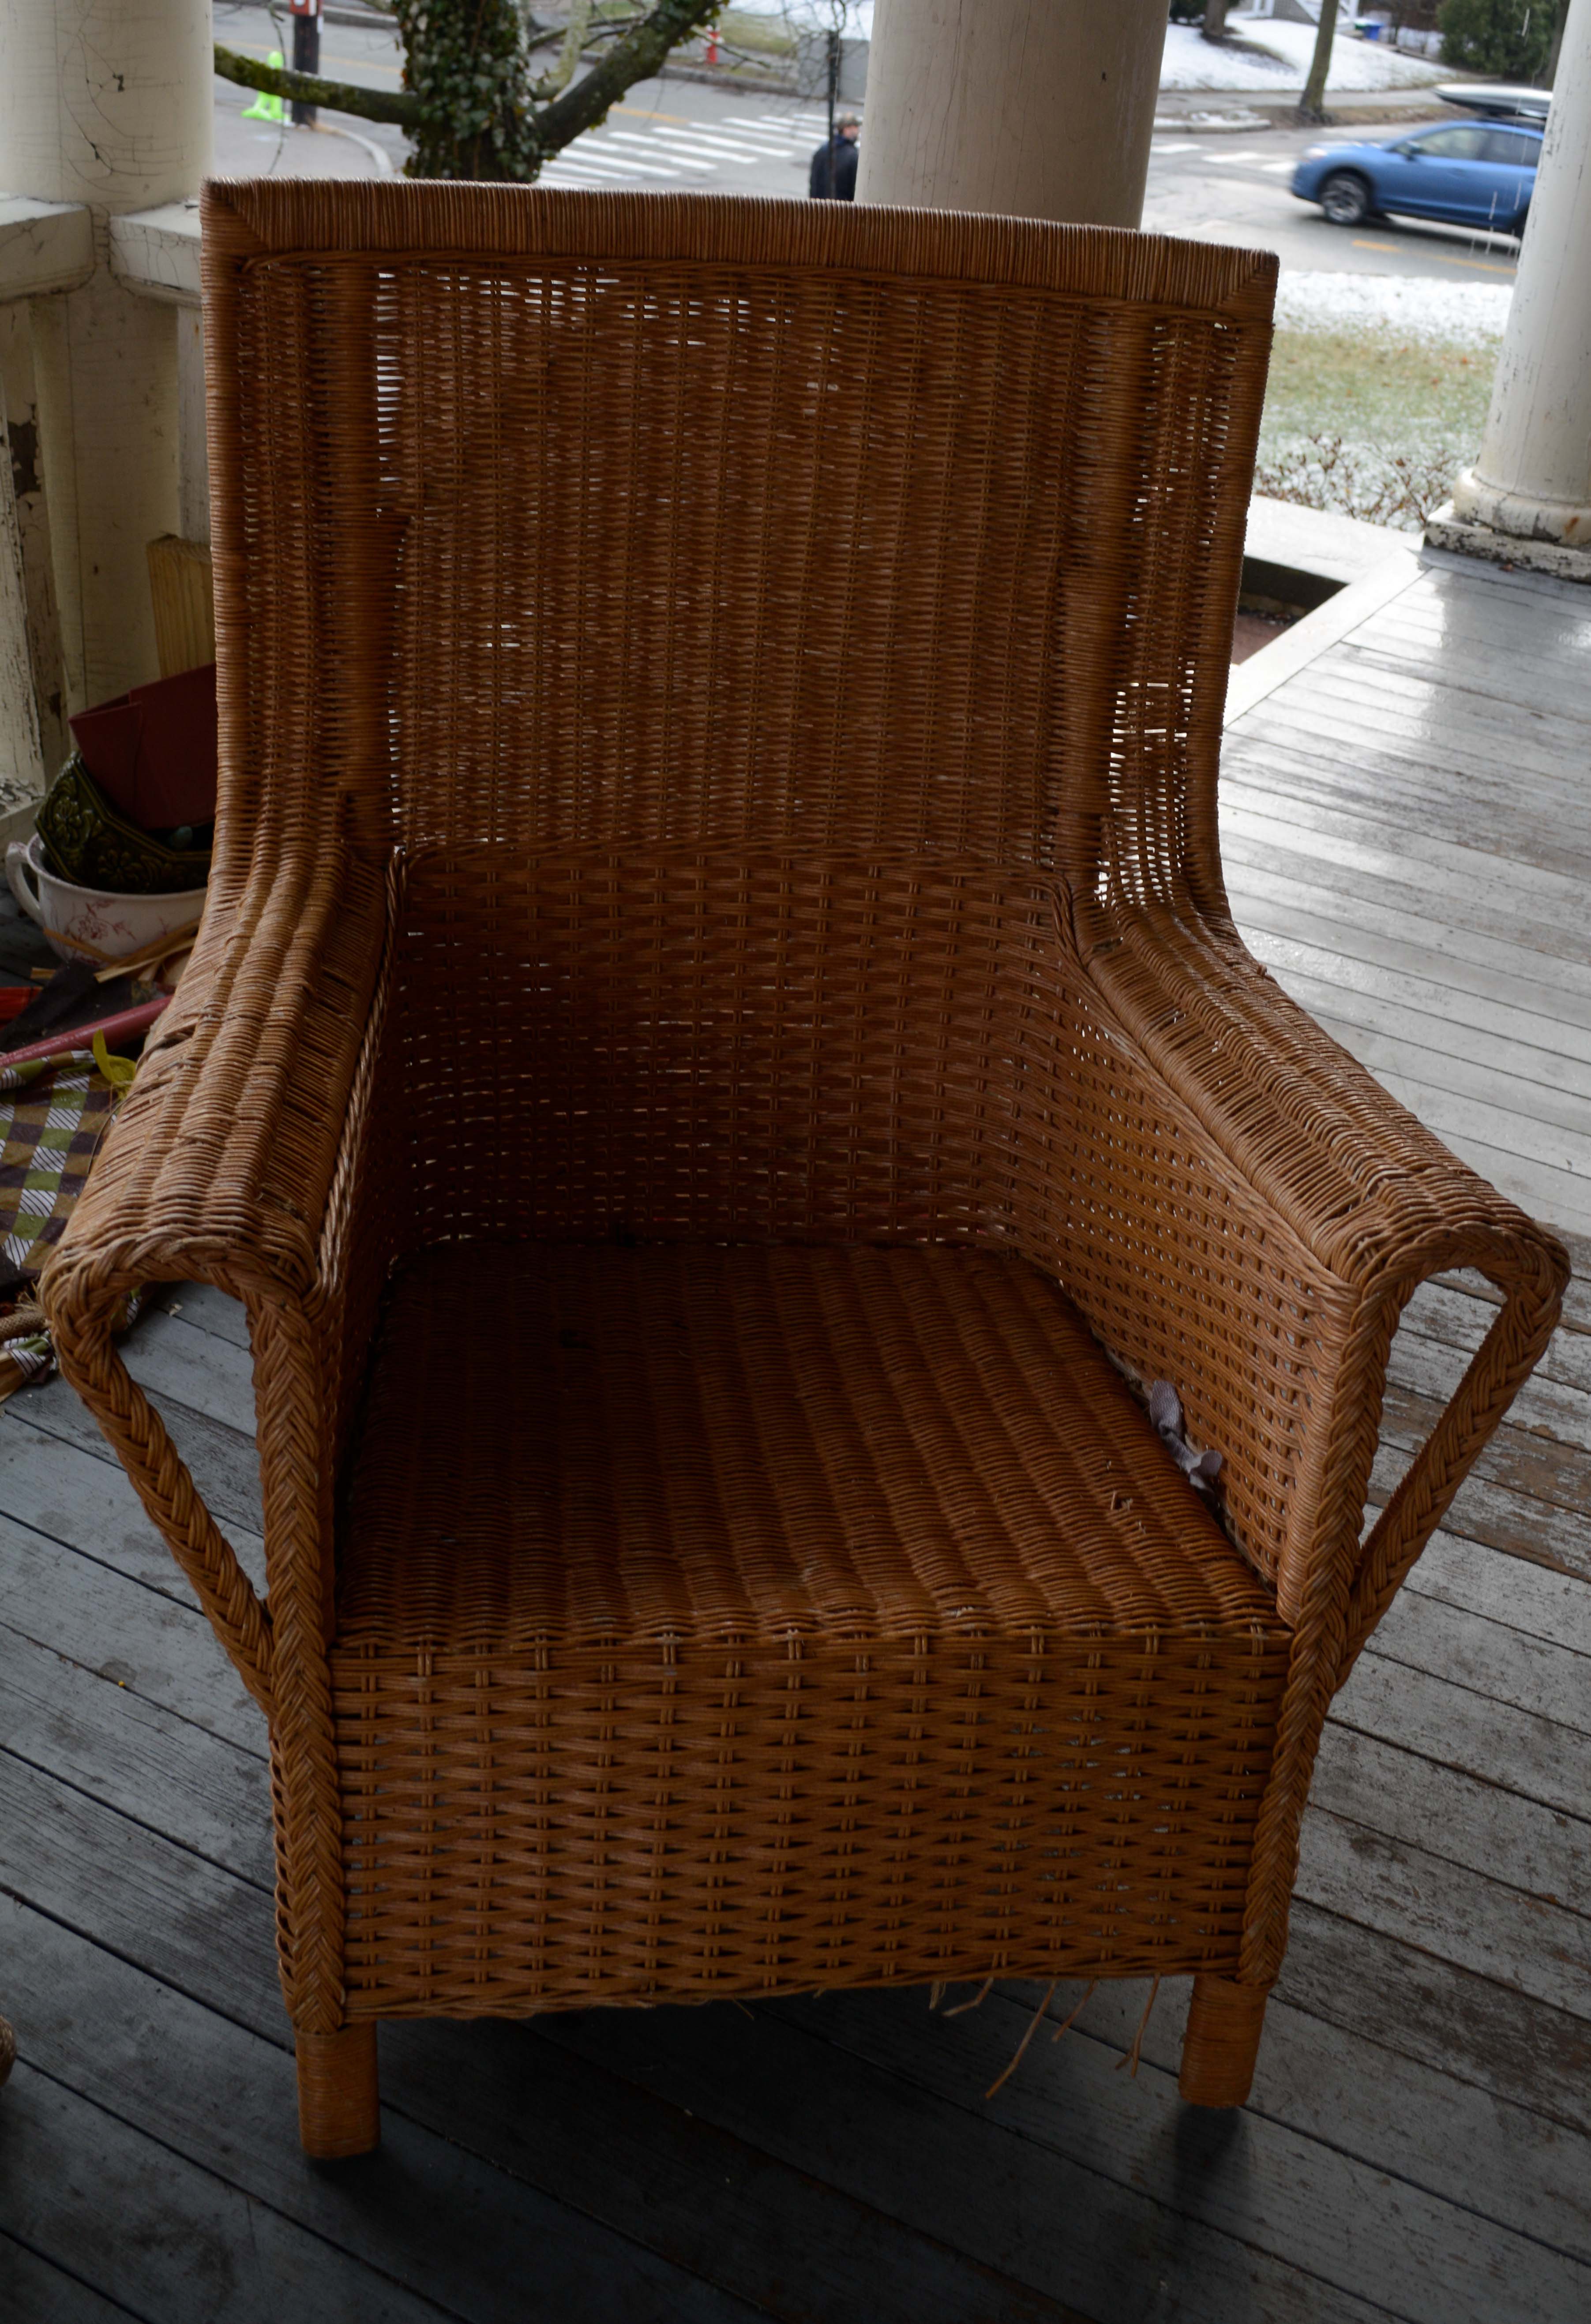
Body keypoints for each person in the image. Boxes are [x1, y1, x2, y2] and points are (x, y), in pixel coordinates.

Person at [809, 114, 859, 200]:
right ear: (847, 129)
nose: (858, 131)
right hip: (841, 209)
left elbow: (814, 184)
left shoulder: (822, 151)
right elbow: (853, 189)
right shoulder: (853, 156)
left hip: (819, 208)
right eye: (856, 128)